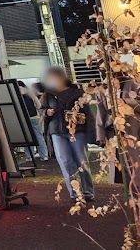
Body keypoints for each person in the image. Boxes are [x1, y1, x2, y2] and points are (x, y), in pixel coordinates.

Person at [40, 67, 95, 202]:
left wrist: (92, 133)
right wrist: (47, 113)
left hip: (77, 130)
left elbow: (88, 113)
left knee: (82, 161)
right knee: (65, 162)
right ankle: (74, 193)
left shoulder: (77, 91)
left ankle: (88, 192)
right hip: (57, 132)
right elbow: (42, 111)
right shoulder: (48, 94)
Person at [18, 81, 49, 161]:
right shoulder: (30, 93)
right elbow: (39, 105)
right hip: (34, 117)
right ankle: (44, 155)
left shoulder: (15, 93)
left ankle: (30, 156)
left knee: (27, 137)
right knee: (39, 136)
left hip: (23, 118)